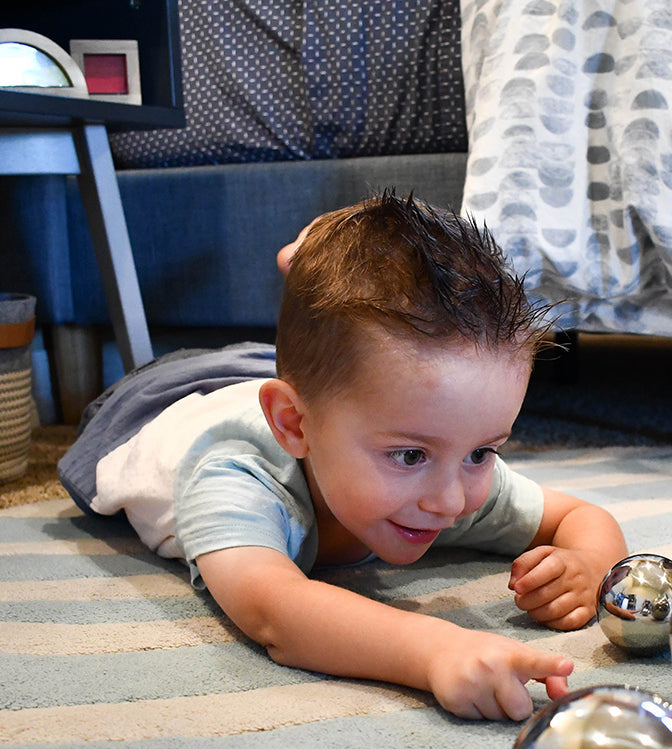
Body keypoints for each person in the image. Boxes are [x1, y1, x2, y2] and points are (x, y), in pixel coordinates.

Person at [58, 191, 627, 722]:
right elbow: (275, 611)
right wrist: (433, 648)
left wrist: (592, 563)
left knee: (340, 369)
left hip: (299, 389)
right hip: (158, 401)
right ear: (294, 427)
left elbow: (582, 517)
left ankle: (315, 262)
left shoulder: (439, 454)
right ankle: (311, 266)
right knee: (326, 376)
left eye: (483, 452)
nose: (451, 501)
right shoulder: (235, 474)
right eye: (408, 456)